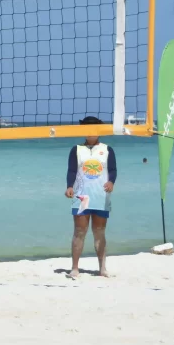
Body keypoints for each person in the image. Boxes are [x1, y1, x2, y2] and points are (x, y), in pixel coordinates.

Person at [65, 116, 117, 279]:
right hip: (81, 196)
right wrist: (69, 186)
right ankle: (74, 268)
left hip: (101, 196)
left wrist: (111, 181)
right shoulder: (77, 149)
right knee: (79, 231)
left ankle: (102, 268)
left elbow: (113, 170)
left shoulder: (107, 149)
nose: (90, 132)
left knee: (99, 232)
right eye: (87, 128)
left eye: (93, 128)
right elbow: (72, 171)